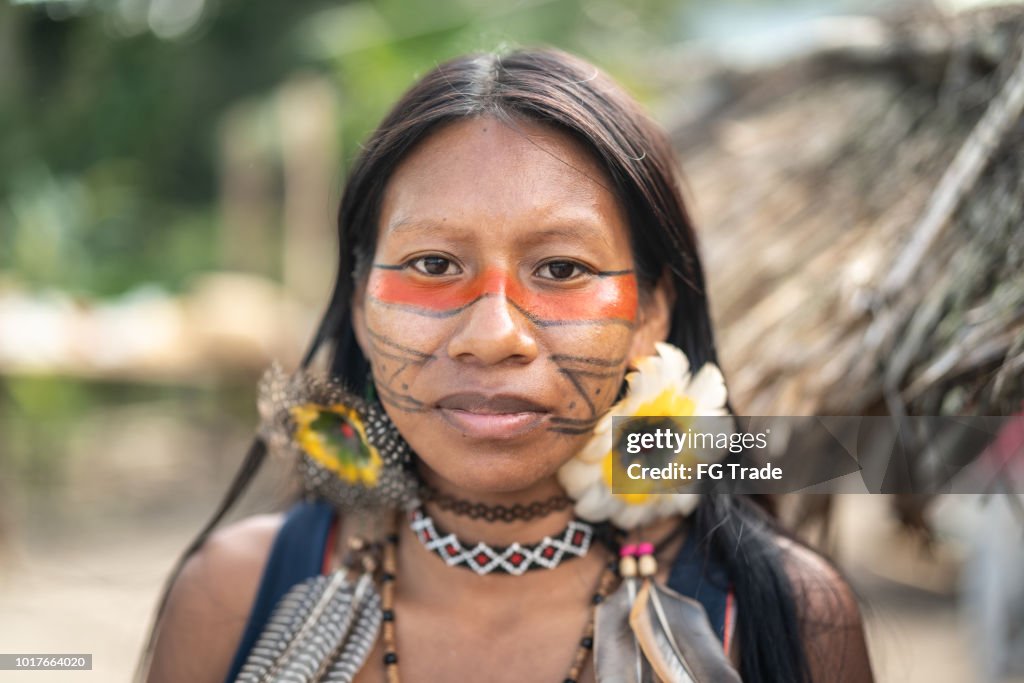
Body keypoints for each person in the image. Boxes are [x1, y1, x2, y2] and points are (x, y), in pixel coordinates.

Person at [140, 48, 873, 683]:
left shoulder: (782, 616)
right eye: (432, 263)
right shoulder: (231, 593)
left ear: (651, 311)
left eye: (560, 267)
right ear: (361, 303)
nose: (492, 335)